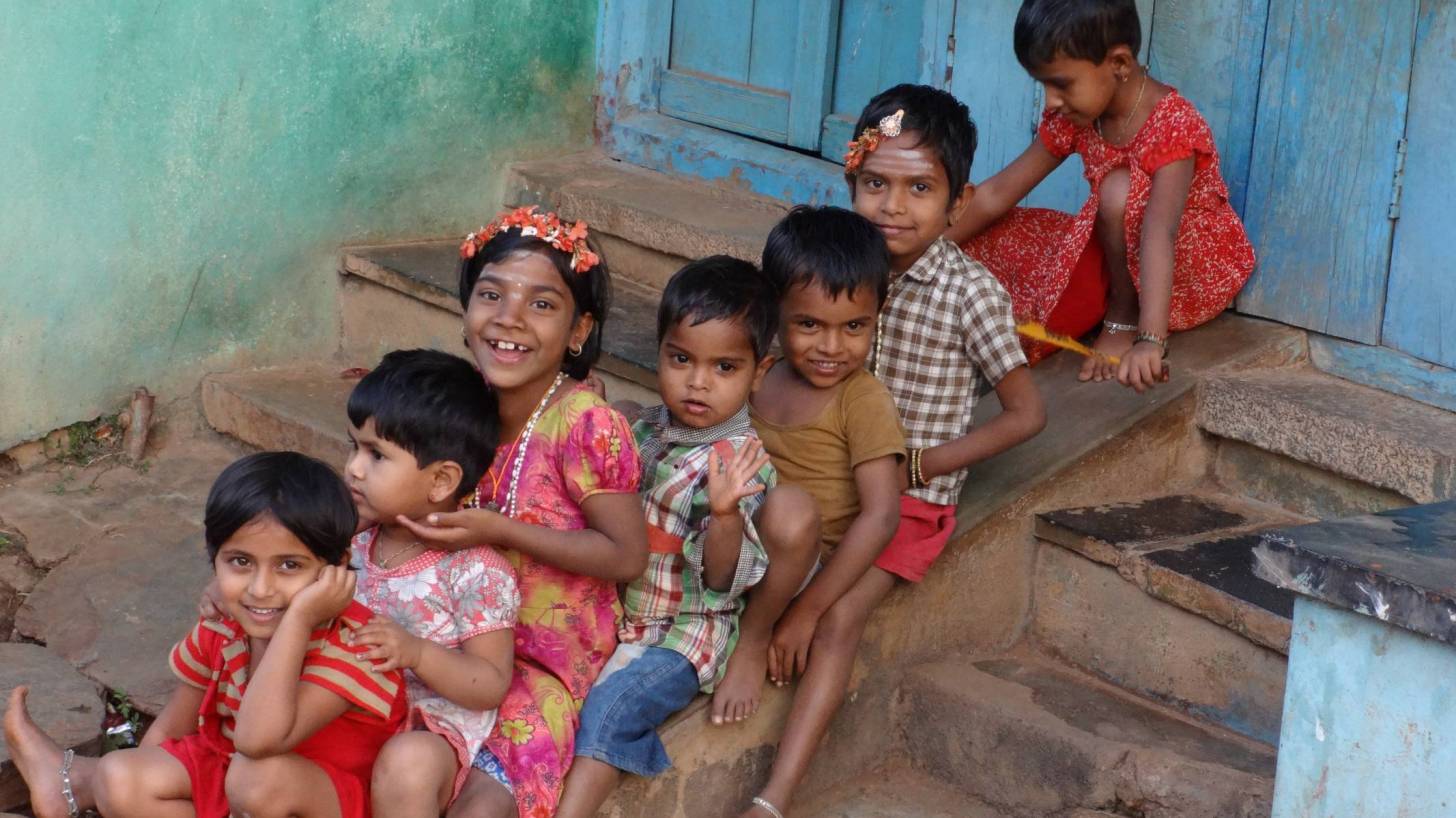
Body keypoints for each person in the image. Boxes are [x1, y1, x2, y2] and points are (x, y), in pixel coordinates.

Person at [741, 84, 1048, 818]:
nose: (893, 207)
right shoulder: (842, 271)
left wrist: (923, 466)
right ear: (850, 185)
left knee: (839, 619)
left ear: (957, 201)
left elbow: (1027, 414)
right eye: (875, 184)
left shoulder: (969, 293)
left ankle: (774, 799)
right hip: (825, 474)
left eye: (920, 189)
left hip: (907, 499)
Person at [393, 206, 648, 818]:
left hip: (542, 664)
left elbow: (626, 554)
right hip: (448, 640)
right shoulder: (455, 408)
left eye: (541, 304)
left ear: (579, 330)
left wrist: (501, 530)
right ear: (464, 310)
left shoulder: (586, 425)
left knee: (481, 805)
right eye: (490, 295)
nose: (508, 319)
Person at [4, 451, 408, 818]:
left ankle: (71, 781)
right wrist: (123, 799)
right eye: (241, 562)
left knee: (258, 779)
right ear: (214, 556)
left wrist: (300, 620)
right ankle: (74, 784)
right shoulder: (225, 625)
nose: (261, 588)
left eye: (289, 565)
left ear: (335, 567)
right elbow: (171, 730)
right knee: (119, 776)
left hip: (319, 799)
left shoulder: (357, 645)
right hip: (235, 779)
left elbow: (257, 740)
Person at [556, 256, 804, 818]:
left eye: (724, 367)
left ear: (759, 373)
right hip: (617, 617)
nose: (697, 381)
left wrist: (724, 516)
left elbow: (720, 579)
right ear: (660, 351)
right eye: (681, 359)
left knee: (611, 710)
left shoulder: (740, 465)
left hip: (682, 635)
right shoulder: (643, 428)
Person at [946, 0, 1255, 391]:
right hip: (1123, 256)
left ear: (1120, 64)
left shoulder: (1173, 125)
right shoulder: (1078, 115)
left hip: (1186, 272)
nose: (1050, 101)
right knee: (993, 237)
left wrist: (1149, 341)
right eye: (1042, 85)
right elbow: (998, 193)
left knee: (1117, 190)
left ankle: (1122, 316)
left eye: (1060, 84)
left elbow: (1161, 234)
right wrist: (918, 252)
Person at [735, 206, 906, 818]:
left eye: (854, 327)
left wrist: (806, 612)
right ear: (773, 314)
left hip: (817, 563)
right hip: (746, 545)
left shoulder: (862, 400)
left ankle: (773, 798)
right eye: (808, 324)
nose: (832, 347)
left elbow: (882, 518)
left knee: (837, 631)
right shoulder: (761, 375)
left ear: (876, 319)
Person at [343, 349, 520, 817]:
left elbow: (490, 682)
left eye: (376, 454)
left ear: (441, 481)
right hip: (350, 708)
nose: (353, 468)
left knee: (409, 762)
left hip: (427, 730)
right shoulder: (353, 538)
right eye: (354, 447)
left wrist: (417, 653)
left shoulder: (475, 570)